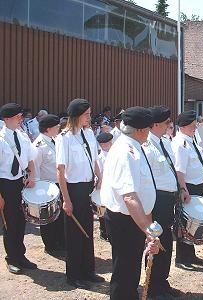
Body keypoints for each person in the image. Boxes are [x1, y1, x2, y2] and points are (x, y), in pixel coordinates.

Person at [101, 106, 159, 299]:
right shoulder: (126, 152)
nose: (149, 134)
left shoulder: (134, 147)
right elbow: (129, 197)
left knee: (131, 269)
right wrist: (148, 231)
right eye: (148, 130)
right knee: (124, 272)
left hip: (133, 220)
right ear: (141, 130)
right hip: (124, 221)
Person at [56, 98, 104, 288]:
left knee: (88, 231)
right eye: (86, 114)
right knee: (75, 234)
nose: (89, 117)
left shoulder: (90, 133)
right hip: (73, 189)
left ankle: (88, 271)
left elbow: (94, 159)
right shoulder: (64, 138)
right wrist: (66, 200)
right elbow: (60, 171)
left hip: (87, 188)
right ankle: (74, 275)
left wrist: (99, 176)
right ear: (76, 116)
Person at [142, 105, 184, 298]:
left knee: (166, 240)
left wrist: (181, 188)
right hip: (156, 200)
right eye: (167, 122)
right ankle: (152, 285)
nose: (170, 125)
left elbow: (172, 169)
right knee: (155, 241)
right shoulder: (146, 146)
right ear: (156, 124)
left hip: (169, 199)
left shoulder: (165, 142)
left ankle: (162, 280)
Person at [172, 110, 203, 271]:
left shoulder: (191, 140)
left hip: (197, 185)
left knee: (193, 223)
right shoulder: (179, 143)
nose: (196, 127)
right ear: (184, 126)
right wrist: (183, 189)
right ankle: (182, 258)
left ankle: (190, 254)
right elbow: (179, 170)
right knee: (184, 224)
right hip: (187, 186)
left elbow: (199, 164)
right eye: (193, 125)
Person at [0, 103, 37, 275]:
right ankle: (11, 258)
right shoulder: (1, 139)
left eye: (21, 116)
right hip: (5, 184)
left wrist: (31, 175)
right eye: (17, 117)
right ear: (7, 119)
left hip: (21, 182)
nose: (20, 119)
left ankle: (21, 256)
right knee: (10, 222)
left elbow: (30, 158)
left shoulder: (22, 136)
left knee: (21, 220)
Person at [33, 114, 65, 255]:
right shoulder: (39, 145)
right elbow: (35, 168)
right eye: (56, 125)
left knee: (59, 217)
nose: (59, 127)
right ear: (48, 129)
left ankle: (60, 242)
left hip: (58, 184)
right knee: (49, 218)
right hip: (47, 186)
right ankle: (50, 245)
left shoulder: (54, 140)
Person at [96, 132, 113, 241]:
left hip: (114, 186)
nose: (110, 144)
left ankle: (109, 230)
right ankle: (103, 231)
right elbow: (98, 172)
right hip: (104, 185)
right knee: (102, 209)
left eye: (110, 142)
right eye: (107, 143)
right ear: (102, 145)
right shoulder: (100, 158)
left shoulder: (115, 153)